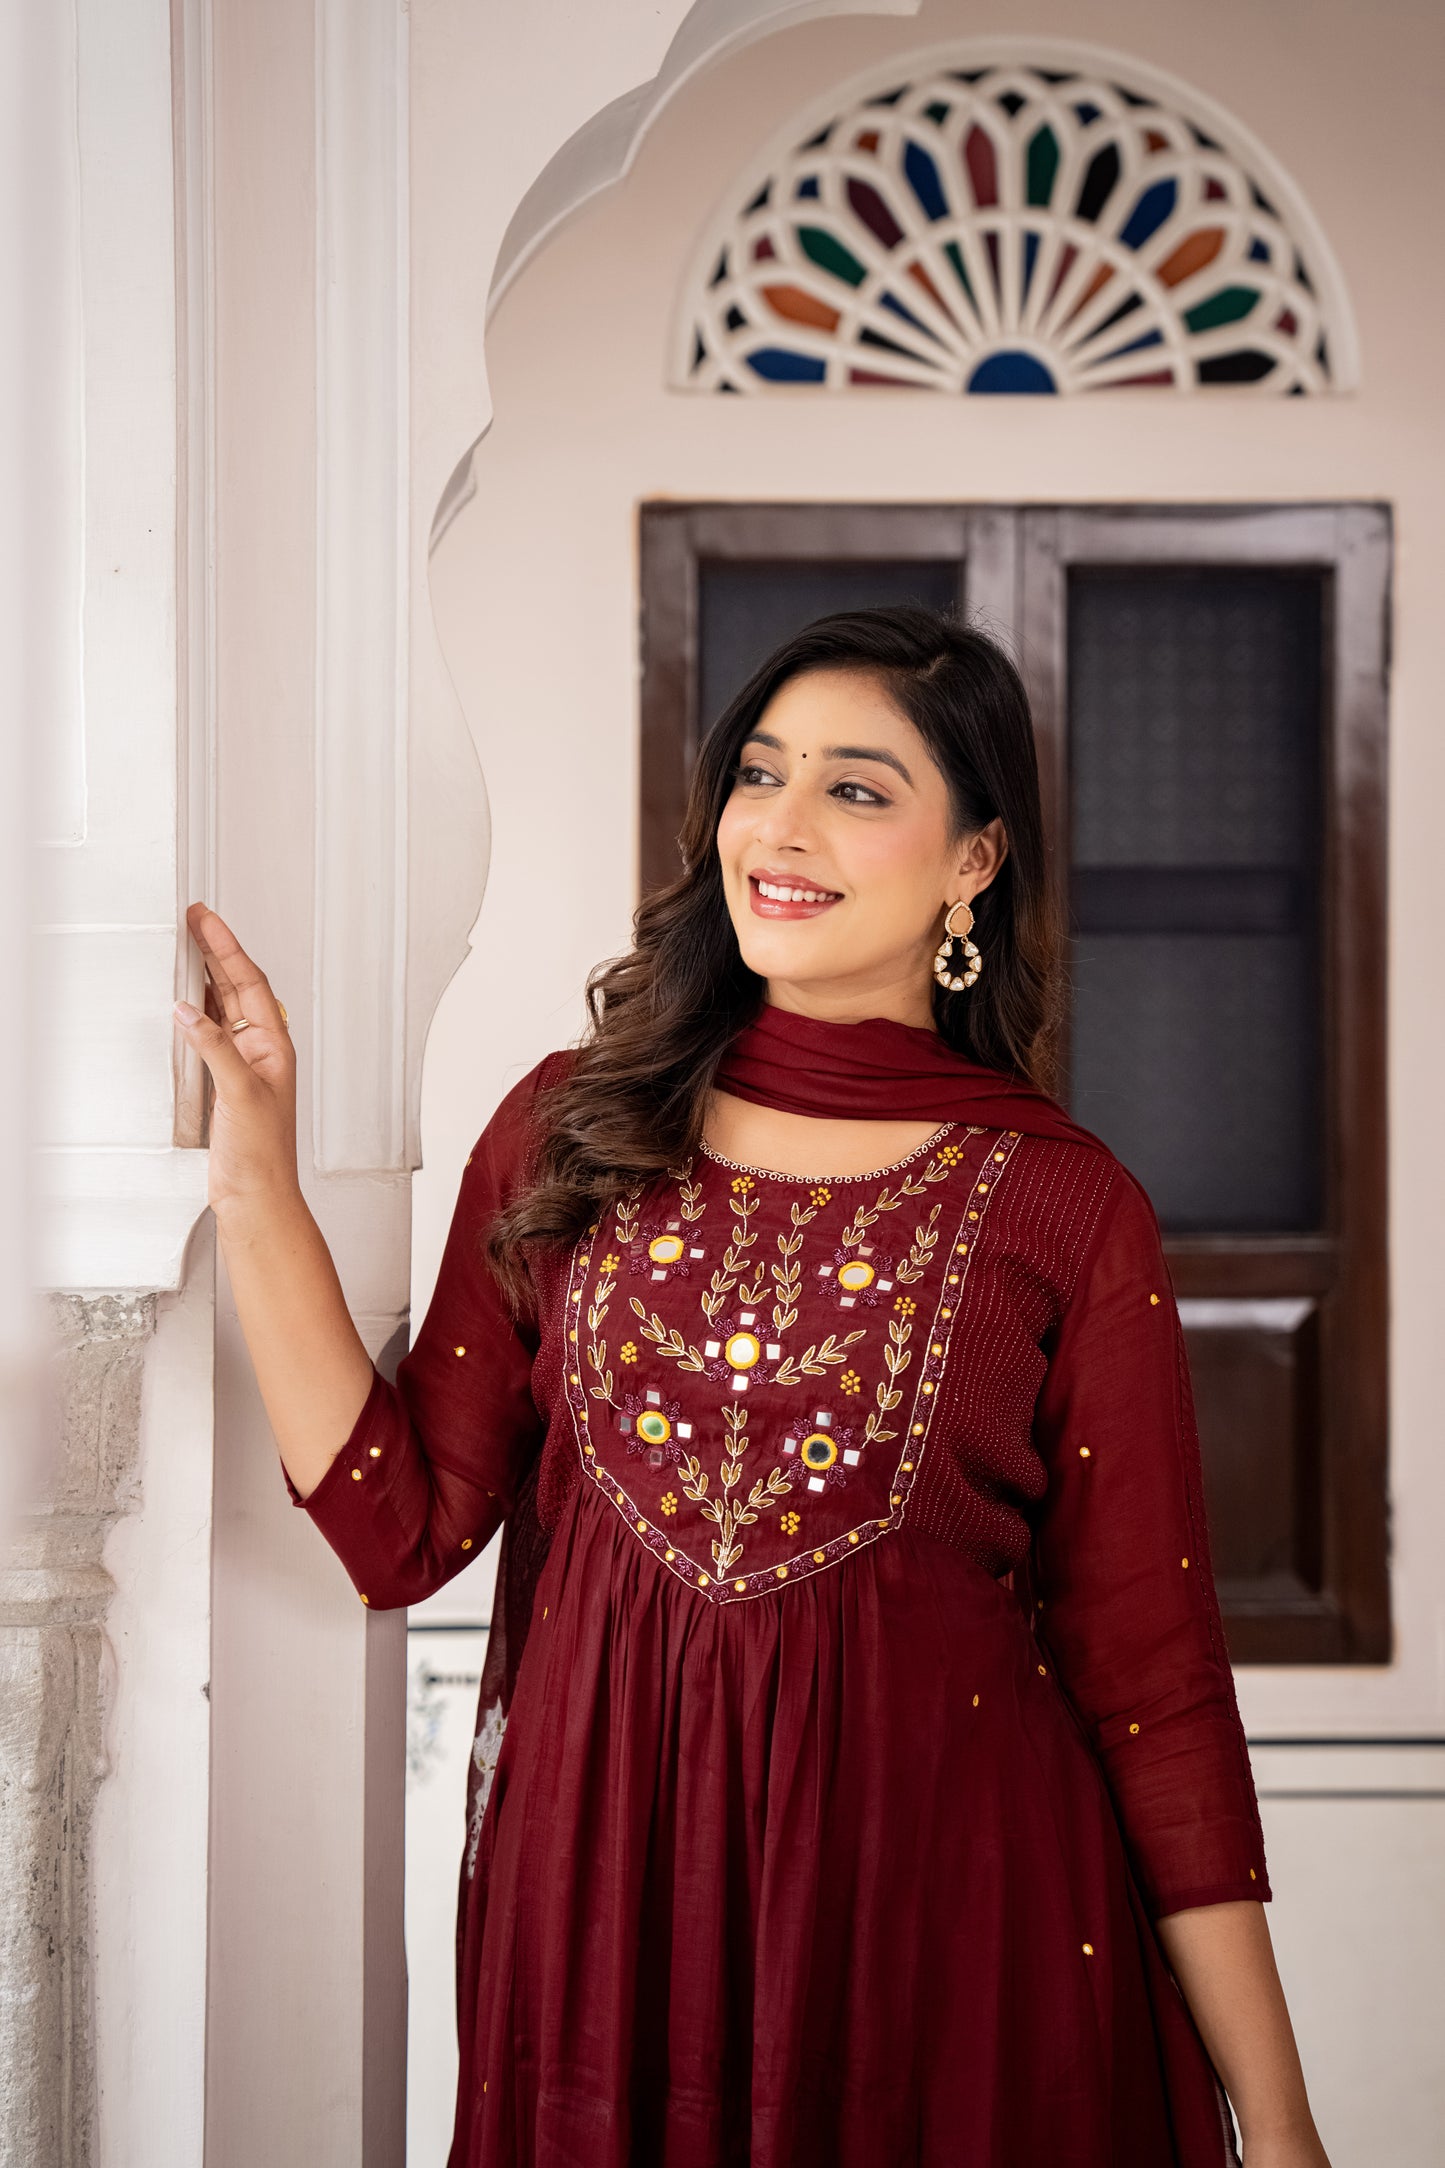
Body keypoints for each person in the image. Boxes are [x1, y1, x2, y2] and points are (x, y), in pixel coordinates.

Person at [174, 607, 1332, 2168]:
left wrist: (1283, 2123)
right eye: (758, 774)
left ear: (973, 862)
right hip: (607, 1929)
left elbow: (1155, 1688)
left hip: (949, 1953)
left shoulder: (1062, 1207)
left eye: (855, 789)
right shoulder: (576, 1133)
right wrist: (254, 1176)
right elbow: (403, 1529)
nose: (778, 827)